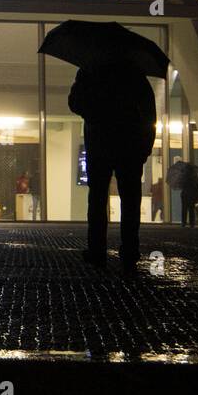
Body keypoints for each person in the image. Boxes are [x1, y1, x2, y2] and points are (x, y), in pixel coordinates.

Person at [69, 60, 156, 272]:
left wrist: (93, 113)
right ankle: (129, 251)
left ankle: (97, 250)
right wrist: (145, 147)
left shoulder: (90, 70)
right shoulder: (137, 75)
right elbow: (149, 114)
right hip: (130, 145)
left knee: (97, 198)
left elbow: (74, 102)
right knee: (131, 200)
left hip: (99, 142)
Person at [179, 162, 198, 228]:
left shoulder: (183, 176)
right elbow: (197, 187)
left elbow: (181, 185)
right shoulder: (194, 177)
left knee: (184, 209)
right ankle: (192, 223)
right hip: (192, 195)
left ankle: (184, 223)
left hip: (185, 194)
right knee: (191, 209)